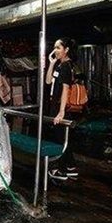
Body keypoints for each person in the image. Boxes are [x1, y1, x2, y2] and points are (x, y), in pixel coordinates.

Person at [45, 37, 78, 181]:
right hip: (57, 104)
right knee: (65, 137)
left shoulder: (66, 66)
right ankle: (70, 166)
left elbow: (65, 89)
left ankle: (60, 169)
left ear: (66, 50)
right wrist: (51, 63)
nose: (55, 50)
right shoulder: (61, 65)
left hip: (60, 106)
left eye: (58, 48)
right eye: (54, 47)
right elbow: (47, 81)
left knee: (59, 138)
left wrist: (61, 111)